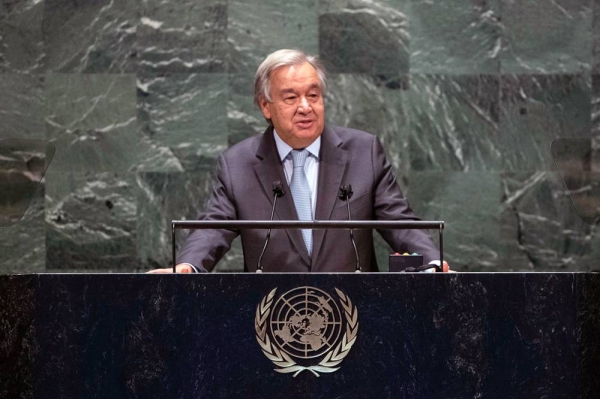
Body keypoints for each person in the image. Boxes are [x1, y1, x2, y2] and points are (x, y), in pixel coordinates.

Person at [149, 49, 446, 273]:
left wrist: (434, 262)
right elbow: (214, 227)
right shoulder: (237, 164)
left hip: (356, 315)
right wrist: (189, 266)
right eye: (291, 98)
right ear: (266, 106)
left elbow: (400, 222)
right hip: (272, 321)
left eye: (313, 95)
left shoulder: (363, 152)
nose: (306, 107)